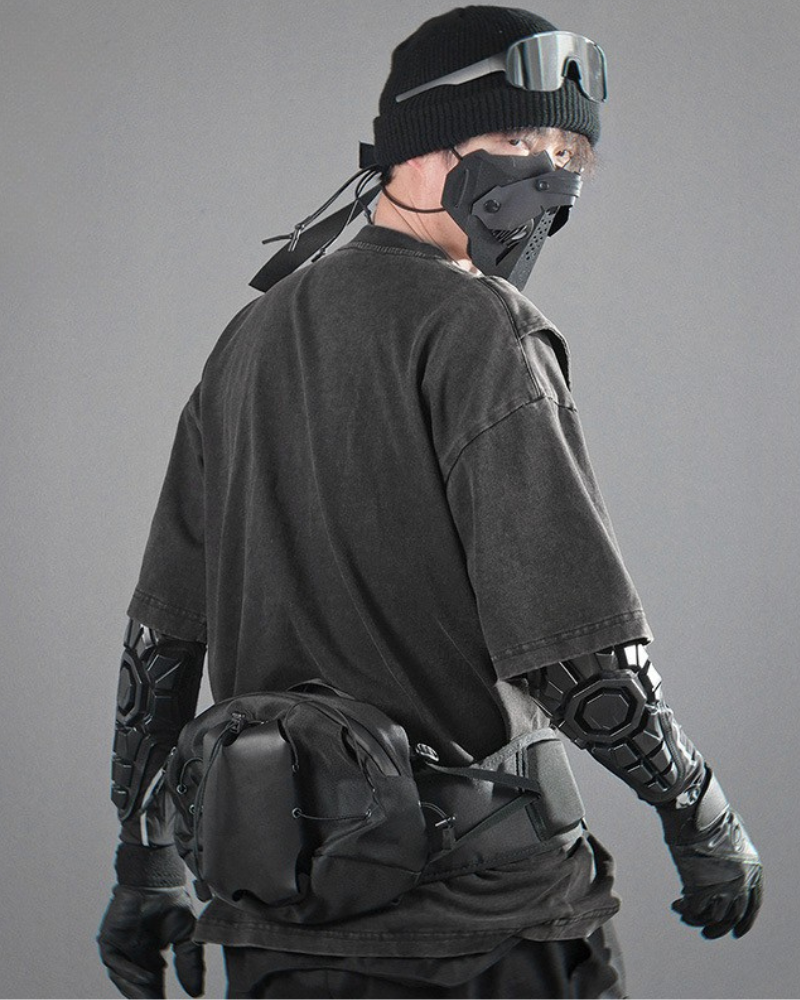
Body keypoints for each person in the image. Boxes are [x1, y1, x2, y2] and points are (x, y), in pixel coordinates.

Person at [97, 7, 762, 999]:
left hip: (278, 936)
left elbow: (159, 645)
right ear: (421, 144)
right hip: (477, 932)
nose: (550, 176)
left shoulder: (246, 341)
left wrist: (143, 858)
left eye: (567, 153)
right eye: (522, 140)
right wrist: (697, 810)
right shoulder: (480, 330)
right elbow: (573, 652)